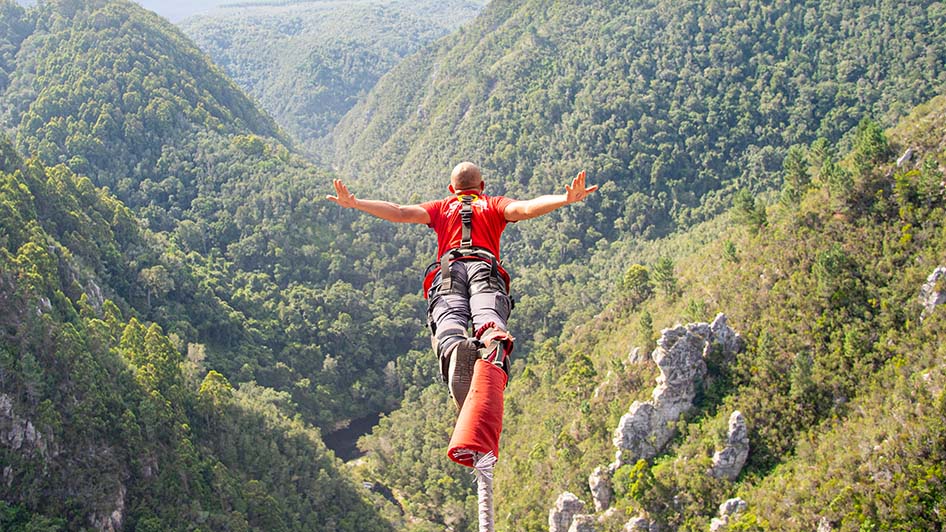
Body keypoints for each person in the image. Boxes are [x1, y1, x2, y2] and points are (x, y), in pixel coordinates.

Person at [327, 162, 597, 409]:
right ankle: (492, 343)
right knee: (488, 316)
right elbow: (526, 208)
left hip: (449, 270)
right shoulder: (493, 204)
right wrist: (564, 199)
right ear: (482, 186)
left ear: (451, 189)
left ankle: (454, 345)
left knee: (449, 319)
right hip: (484, 269)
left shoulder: (441, 207)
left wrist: (356, 203)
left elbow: (399, 212)